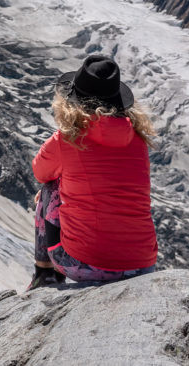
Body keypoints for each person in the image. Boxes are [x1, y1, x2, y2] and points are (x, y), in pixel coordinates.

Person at [27, 54, 158, 290]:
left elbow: (40, 172)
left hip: (86, 264)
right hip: (143, 266)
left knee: (49, 187)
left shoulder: (68, 139)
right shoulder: (138, 140)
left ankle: (44, 276)